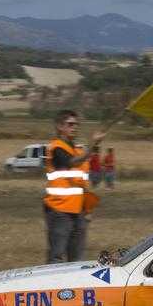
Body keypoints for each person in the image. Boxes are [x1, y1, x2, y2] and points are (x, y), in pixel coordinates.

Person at [44, 109, 105, 263]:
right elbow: (73, 162)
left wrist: (88, 209)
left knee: (77, 260)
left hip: (79, 211)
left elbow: (86, 179)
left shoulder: (78, 149)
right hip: (59, 210)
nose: (75, 127)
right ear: (59, 126)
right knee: (57, 257)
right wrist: (93, 144)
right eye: (70, 124)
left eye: (76, 124)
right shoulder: (56, 147)